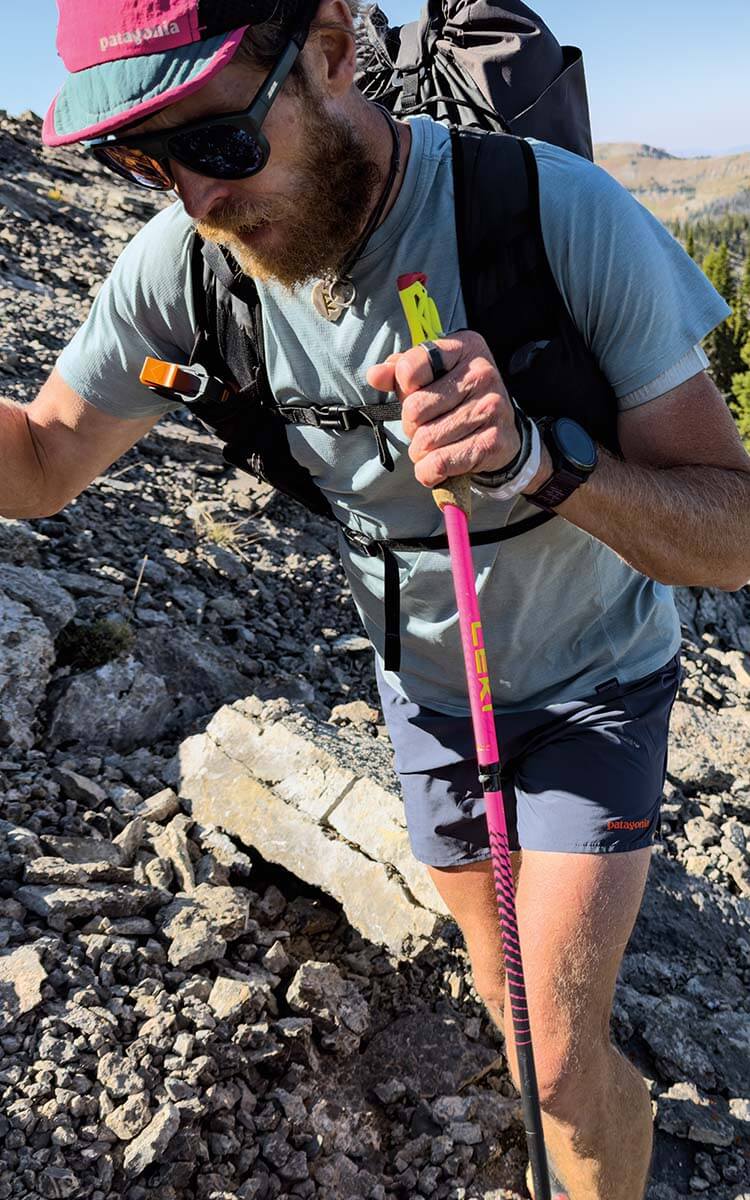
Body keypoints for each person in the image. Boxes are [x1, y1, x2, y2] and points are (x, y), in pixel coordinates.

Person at [4, 0, 749, 1196]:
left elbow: (735, 531)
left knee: (553, 1054)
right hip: (427, 701)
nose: (192, 198)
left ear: (336, 52)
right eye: (140, 159)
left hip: (598, 684)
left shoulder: (555, 216)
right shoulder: (188, 269)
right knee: (514, 1008)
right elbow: (41, 459)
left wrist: (540, 464)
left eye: (220, 143)